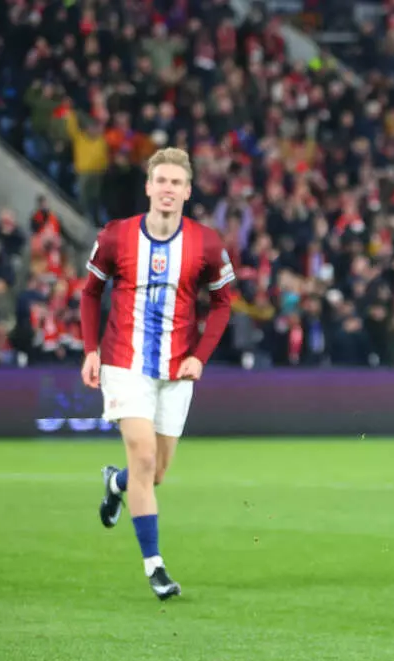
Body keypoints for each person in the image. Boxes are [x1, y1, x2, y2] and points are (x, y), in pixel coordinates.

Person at [79, 147, 235, 599]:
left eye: (176, 183)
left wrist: (200, 356)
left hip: (177, 369)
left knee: (155, 472)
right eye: (160, 181)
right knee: (144, 460)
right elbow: (91, 292)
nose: (167, 189)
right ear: (148, 187)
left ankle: (115, 482)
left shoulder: (206, 243)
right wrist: (91, 350)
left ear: (187, 192)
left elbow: (224, 302)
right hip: (124, 364)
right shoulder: (116, 236)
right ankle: (156, 567)